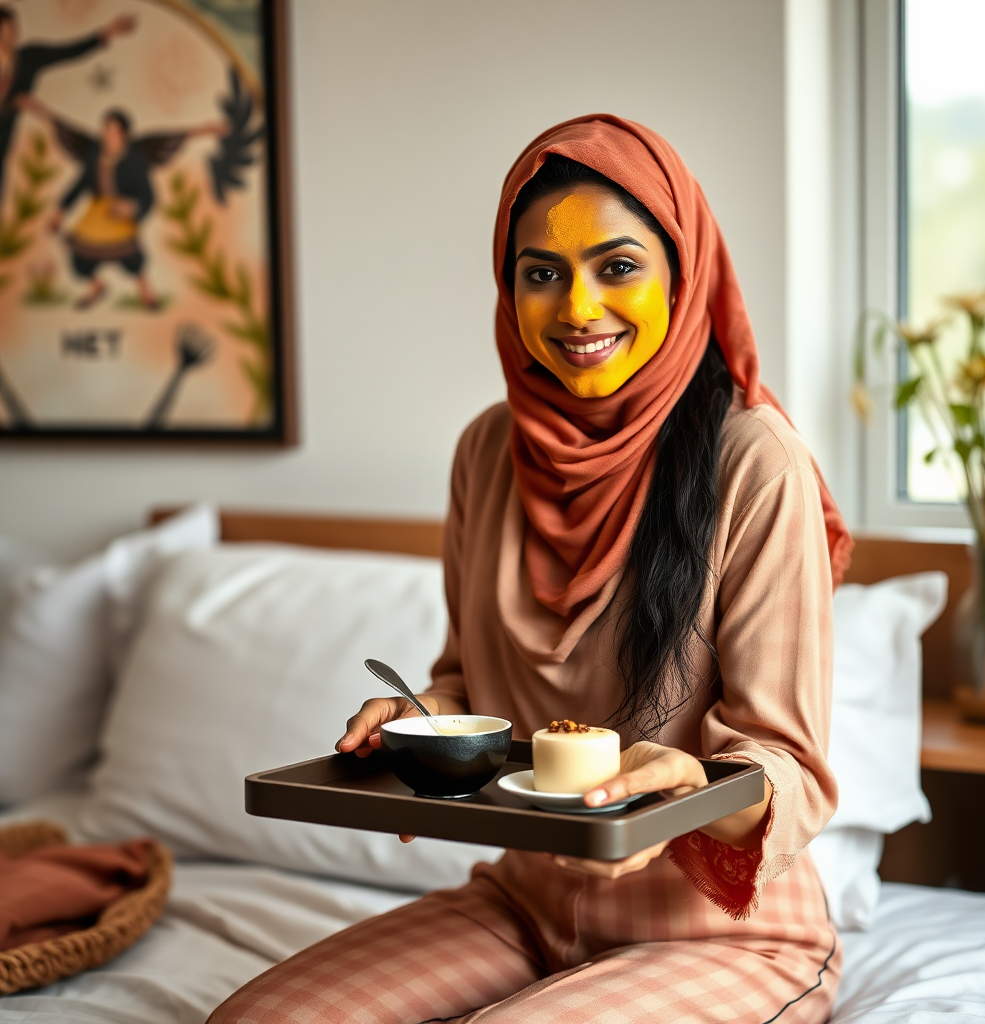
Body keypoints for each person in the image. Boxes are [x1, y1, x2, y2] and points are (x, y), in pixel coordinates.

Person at [208, 115, 854, 1024]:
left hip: (720, 927)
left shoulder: (755, 463)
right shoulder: (486, 451)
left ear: (683, 270)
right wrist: (419, 721)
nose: (579, 308)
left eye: (618, 266)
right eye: (542, 274)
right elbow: (466, 681)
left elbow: (788, 766)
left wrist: (694, 786)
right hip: (524, 903)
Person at [17, 96, 225, 310]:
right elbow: (80, 183)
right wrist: (61, 210)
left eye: (113, 131)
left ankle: (146, 291)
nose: (107, 136)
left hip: (121, 214)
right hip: (97, 214)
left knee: (131, 257)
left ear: (124, 135)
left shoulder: (135, 160)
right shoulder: (94, 154)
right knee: (80, 256)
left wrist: (132, 207)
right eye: (105, 130)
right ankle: (97, 286)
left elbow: (149, 195)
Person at [0, 6, 136, 205]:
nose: (10, 36)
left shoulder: (28, 59)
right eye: (4, 31)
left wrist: (105, 34)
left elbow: (67, 52)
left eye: (13, 29)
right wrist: (11, 104)